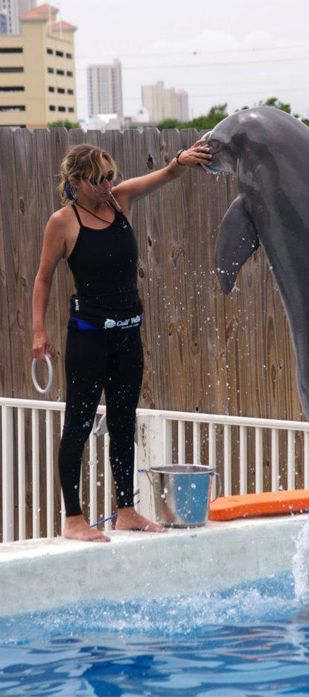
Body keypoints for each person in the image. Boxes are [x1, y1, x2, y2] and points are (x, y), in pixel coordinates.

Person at [32, 140, 212, 542]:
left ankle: (125, 511)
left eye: (111, 176)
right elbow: (43, 278)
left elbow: (166, 175)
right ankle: (74, 519)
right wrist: (39, 331)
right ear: (76, 182)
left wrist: (181, 160)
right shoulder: (63, 222)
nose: (108, 185)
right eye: (99, 180)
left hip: (128, 337)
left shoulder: (120, 201)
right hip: (89, 340)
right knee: (77, 425)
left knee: (122, 422)